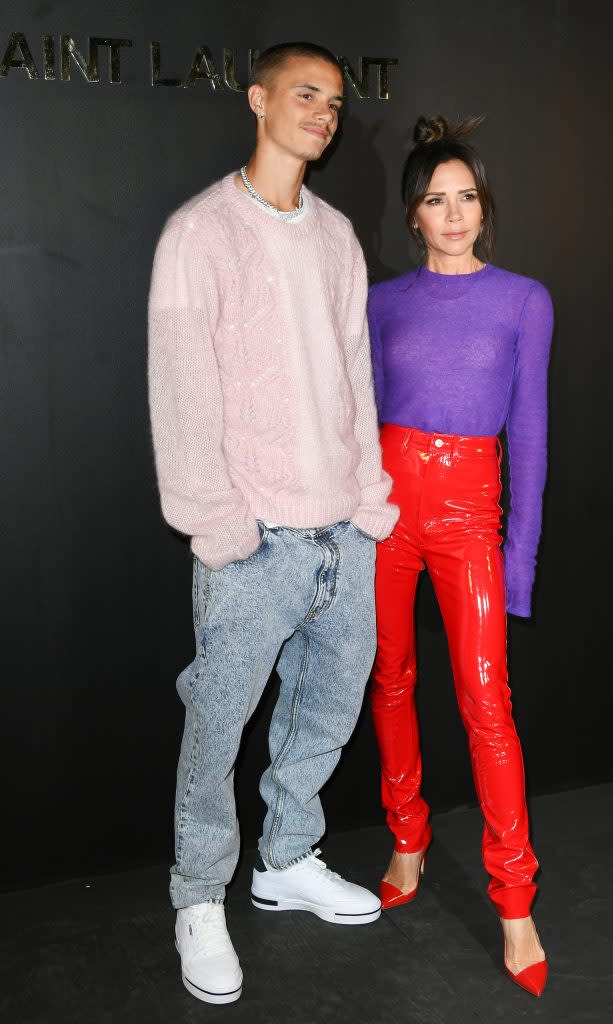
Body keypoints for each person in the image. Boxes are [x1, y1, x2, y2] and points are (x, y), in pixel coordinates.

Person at [148, 41, 398, 1005]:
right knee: (217, 728)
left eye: (335, 103)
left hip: (342, 529)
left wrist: (367, 499)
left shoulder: (334, 236)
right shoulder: (200, 233)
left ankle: (285, 858)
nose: (323, 115)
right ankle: (198, 896)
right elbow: (181, 392)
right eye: (305, 95)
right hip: (251, 542)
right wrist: (217, 526)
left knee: (325, 717)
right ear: (257, 100)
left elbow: (353, 375)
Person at [368, 115, 553, 997]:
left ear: (483, 208)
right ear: (412, 214)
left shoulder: (522, 298)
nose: (452, 214)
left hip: (470, 515)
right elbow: (352, 419)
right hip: (384, 511)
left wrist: (518, 562)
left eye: (466, 198)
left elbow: (532, 435)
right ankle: (406, 841)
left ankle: (514, 899)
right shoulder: (381, 302)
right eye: (435, 200)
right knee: (390, 679)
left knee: (486, 702)